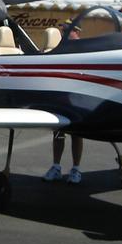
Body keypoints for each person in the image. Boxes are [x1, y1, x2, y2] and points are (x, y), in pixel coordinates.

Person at [43, 20, 84, 184]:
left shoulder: (84, 49)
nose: (63, 32)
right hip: (61, 96)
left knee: (77, 134)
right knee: (58, 133)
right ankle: (56, 166)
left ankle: (76, 169)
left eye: (67, 30)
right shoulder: (59, 47)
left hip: (78, 96)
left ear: (77, 32)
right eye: (63, 29)